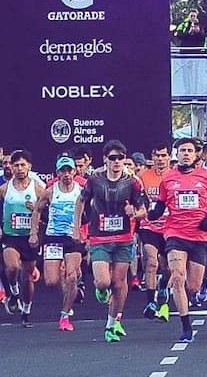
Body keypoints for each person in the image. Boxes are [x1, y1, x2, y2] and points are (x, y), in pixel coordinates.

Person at [147, 138, 207, 343]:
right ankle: (186, 327)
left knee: (193, 287)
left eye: (190, 150)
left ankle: (164, 282)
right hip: (175, 233)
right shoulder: (168, 178)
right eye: (182, 151)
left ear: (196, 154)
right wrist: (153, 214)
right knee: (178, 277)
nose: (186, 154)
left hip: (199, 235)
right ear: (176, 154)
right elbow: (161, 205)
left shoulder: (206, 176)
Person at [74, 141, 148, 342]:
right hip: (100, 237)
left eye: (120, 157)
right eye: (113, 158)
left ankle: (111, 324)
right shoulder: (95, 180)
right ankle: (100, 290)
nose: (117, 161)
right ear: (105, 159)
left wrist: (134, 213)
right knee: (103, 281)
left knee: (118, 283)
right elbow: (80, 201)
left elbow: (143, 210)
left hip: (123, 238)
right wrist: (77, 228)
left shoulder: (133, 182)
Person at [29, 157, 86, 331]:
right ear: (58, 173)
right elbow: (37, 210)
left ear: (74, 172)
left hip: (73, 238)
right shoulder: (50, 191)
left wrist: (88, 235)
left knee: (71, 276)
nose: (67, 174)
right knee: (51, 280)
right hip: (53, 237)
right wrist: (33, 233)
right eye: (63, 171)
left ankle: (65, 315)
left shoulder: (81, 191)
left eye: (70, 171)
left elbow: (92, 211)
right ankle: (69, 289)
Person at [0, 150, 42, 324]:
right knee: (11, 267)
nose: (19, 168)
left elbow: (47, 213)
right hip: (11, 236)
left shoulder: (38, 189)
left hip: (30, 238)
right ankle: (13, 292)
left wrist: (36, 209)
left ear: (29, 166)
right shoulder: (4, 189)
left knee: (28, 276)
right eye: (15, 165)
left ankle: (26, 310)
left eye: (22, 165)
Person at [139, 145, 172, 322]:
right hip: (149, 225)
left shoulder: (174, 175)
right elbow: (137, 197)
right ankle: (150, 302)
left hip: (170, 227)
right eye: (157, 155)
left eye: (163, 155)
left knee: (167, 267)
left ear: (169, 157)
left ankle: (163, 287)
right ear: (152, 157)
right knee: (151, 262)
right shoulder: (144, 176)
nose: (160, 159)